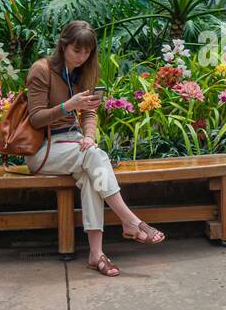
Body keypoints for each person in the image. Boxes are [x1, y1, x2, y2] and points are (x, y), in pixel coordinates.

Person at [26, 21, 164, 277]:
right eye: (77, 51)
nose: (82, 57)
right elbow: (35, 118)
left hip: (75, 147)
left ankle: (96, 254)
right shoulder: (41, 70)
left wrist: (89, 136)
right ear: (63, 45)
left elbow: (90, 113)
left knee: (92, 175)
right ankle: (131, 221)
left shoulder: (86, 71)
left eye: (87, 52)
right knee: (94, 158)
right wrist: (68, 106)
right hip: (43, 150)